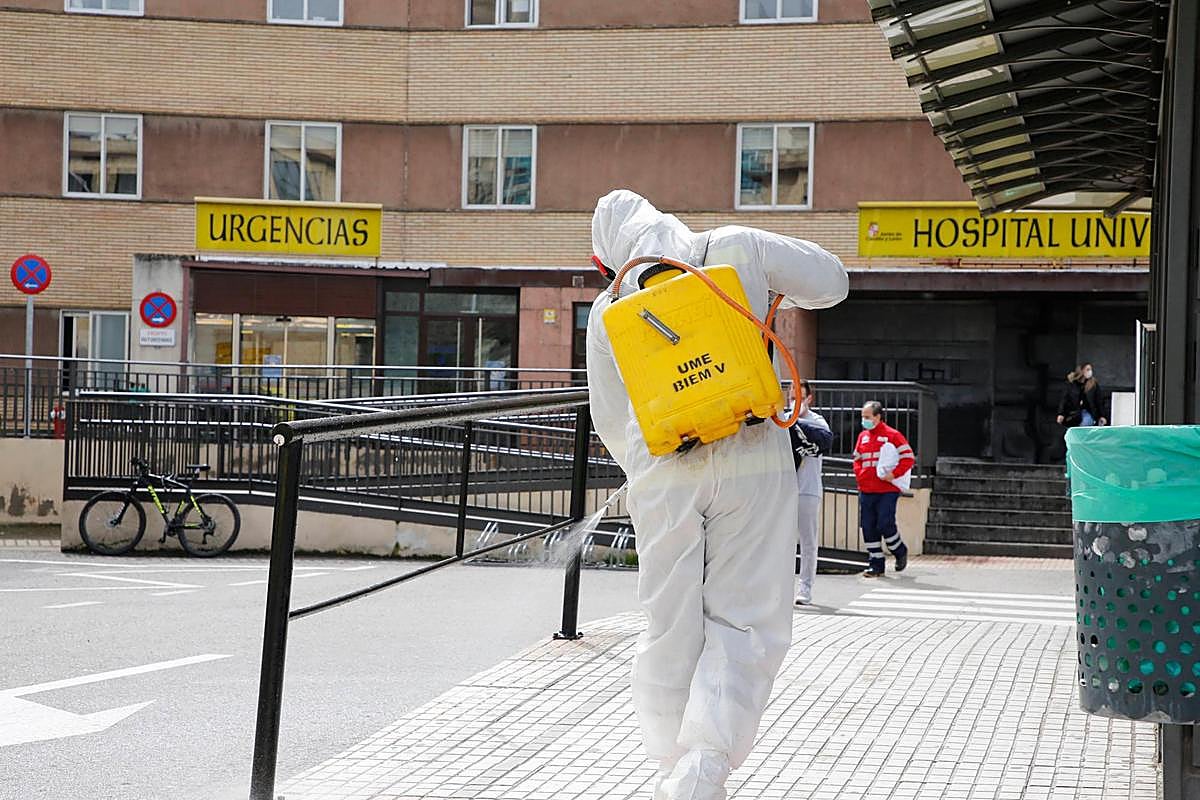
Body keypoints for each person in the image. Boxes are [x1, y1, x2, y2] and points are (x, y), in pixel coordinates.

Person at [586, 189, 848, 800]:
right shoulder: (736, 246)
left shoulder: (609, 308)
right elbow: (833, 283)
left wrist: (655, 471)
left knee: (669, 620)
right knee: (745, 616)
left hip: (663, 468)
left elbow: (611, 419)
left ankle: (667, 761)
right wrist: (765, 273)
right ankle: (704, 766)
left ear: (610, 258)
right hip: (753, 455)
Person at [852, 401, 914, 577]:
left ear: (878, 417)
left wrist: (893, 475)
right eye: (863, 417)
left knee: (885, 523)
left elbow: (908, 458)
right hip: (866, 489)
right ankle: (876, 565)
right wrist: (860, 475)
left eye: (867, 417)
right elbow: (857, 459)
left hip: (887, 489)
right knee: (868, 526)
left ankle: (899, 551)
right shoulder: (862, 436)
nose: (864, 420)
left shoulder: (893, 435)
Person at [788, 380, 832, 606]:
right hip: (785, 491)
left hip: (808, 490)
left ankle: (805, 587)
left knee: (807, 542)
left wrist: (797, 424)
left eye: (799, 397)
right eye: (791, 397)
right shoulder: (783, 420)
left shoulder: (817, 422)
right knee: (781, 542)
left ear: (808, 399)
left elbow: (824, 440)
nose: (794, 401)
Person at [1057, 363, 1108, 428]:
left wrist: (1102, 416)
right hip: (1073, 413)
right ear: (1081, 371)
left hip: (1088, 412)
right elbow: (1064, 399)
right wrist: (1061, 413)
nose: (1090, 372)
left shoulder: (1093, 384)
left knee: (1085, 424)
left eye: (1090, 369)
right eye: (1088, 369)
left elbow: (1099, 401)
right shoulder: (1071, 384)